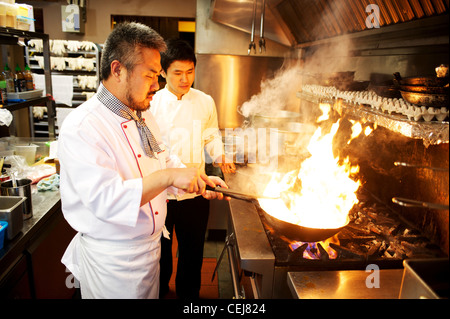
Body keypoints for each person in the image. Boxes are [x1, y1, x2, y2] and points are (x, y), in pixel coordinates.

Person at [58, 22, 228, 299]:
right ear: (118, 70)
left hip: (149, 252)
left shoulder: (142, 113)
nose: (157, 85)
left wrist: (194, 179)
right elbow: (106, 199)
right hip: (113, 264)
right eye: (150, 76)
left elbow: (163, 157)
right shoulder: (83, 126)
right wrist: (170, 178)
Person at [151, 38, 236, 299]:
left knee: (192, 252)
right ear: (163, 72)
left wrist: (221, 156)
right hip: (160, 193)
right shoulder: (151, 103)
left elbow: (210, 135)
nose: (185, 79)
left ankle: (190, 298)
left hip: (195, 190)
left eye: (190, 72)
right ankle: (161, 291)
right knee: (160, 253)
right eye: (178, 73)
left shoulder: (204, 101)